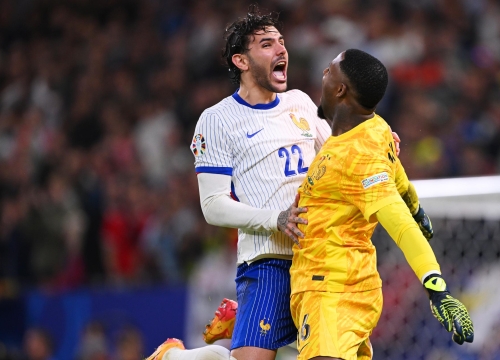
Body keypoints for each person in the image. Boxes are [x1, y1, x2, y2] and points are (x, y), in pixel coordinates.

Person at [145, 7, 422, 360]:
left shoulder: (301, 104)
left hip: (320, 259)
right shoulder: (217, 120)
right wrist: (274, 218)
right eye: (266, 44)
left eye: (281, 41)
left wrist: (376, 141)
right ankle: (175, 356)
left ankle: (235, 336)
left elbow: (339, 151)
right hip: (269, 260)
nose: (280, 50)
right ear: (241, 61)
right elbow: (213, 205)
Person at [289, 49, 474, 360]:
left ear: (340, 89)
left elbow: (400, 225)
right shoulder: (376, 128)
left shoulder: (355, 157)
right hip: (339, 284)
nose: (323, 72)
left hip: (332, 290)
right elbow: (396, 173)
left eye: (329, 70)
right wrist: (415, 205)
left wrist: (437, 288)